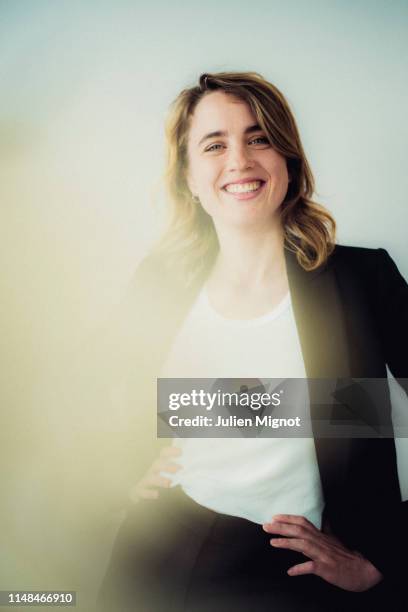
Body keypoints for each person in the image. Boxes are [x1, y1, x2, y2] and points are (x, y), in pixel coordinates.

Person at [98, 72, 408, 611]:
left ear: (288, 159)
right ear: (189, 177)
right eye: (214, 144)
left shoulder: (362, 280)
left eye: (259, 137)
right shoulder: (161, 283)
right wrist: (122, 470)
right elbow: (91, 396)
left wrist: (388, 556)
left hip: (294, 567)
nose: (239, 159)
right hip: (163, 550)